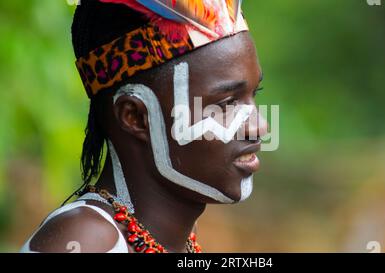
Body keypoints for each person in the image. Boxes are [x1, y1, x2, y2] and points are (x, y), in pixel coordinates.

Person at [20, 0, 267, 253]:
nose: (259, 127)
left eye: (254, 94)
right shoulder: (85, 240)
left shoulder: (176, 239)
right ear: (135, 117)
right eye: (225, 104)